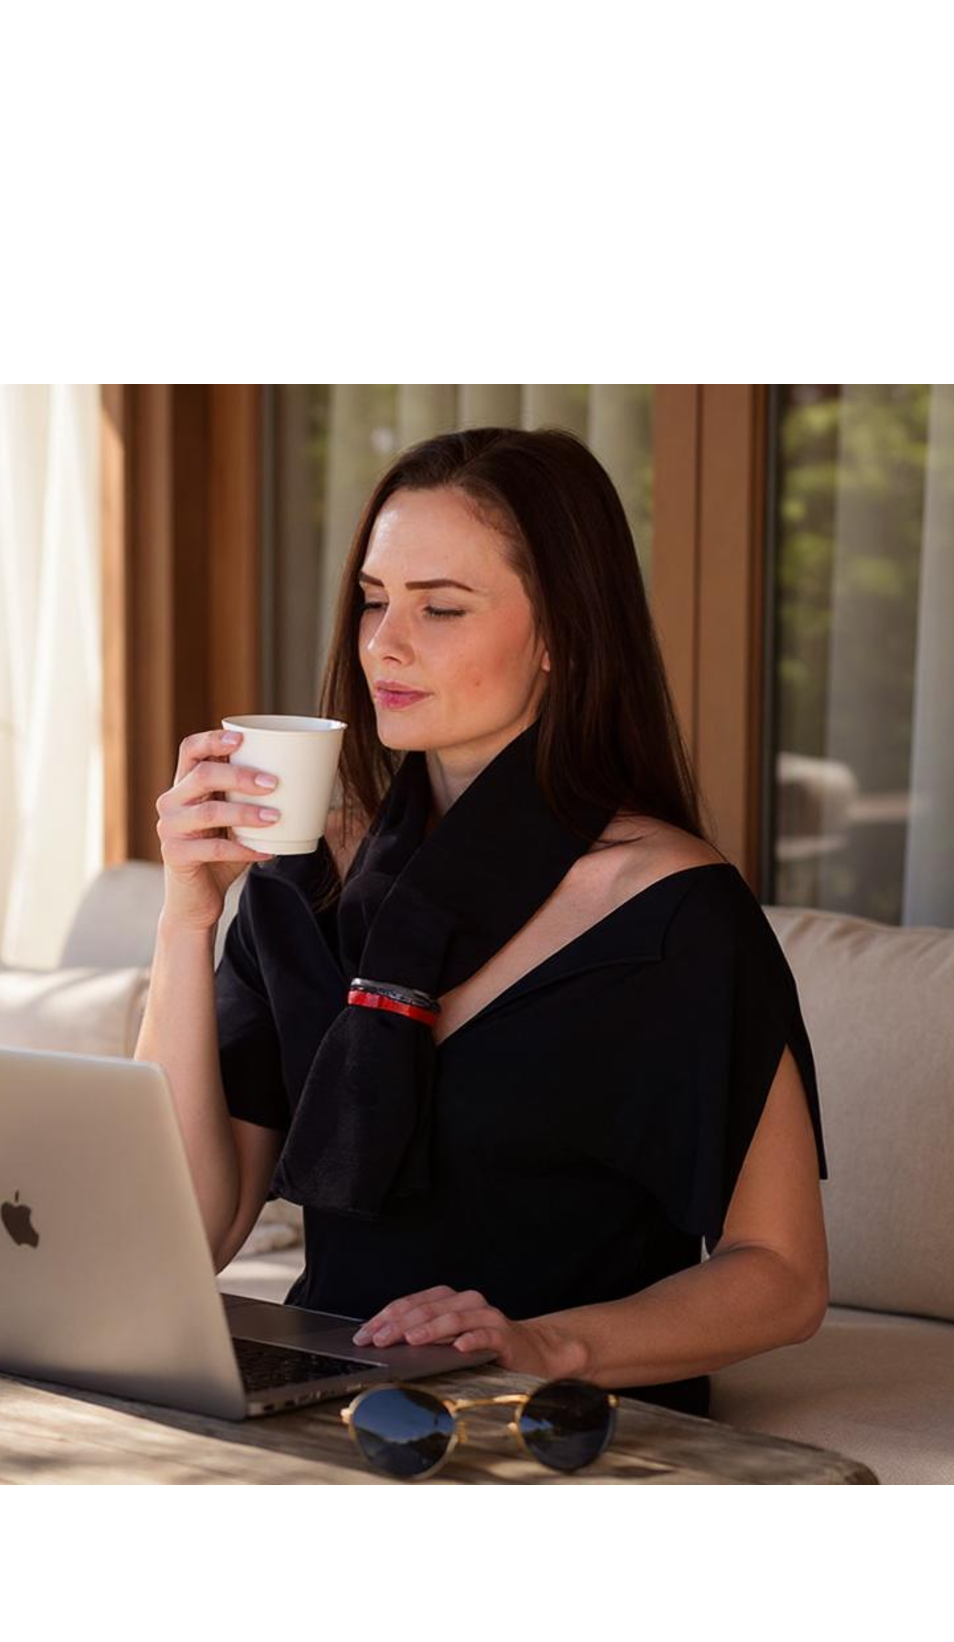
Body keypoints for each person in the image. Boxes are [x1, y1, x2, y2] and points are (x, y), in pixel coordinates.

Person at [134, 425, 830, 1420]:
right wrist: (184, 916)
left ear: (564, 637)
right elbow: (185, 1236)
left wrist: (540, 1343)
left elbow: (783, 1275)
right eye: (373, 600)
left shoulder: (671, 913)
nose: (383, 643)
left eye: (441, 608)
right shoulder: (302, 884)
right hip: (326, 1399)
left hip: (556, 1420)